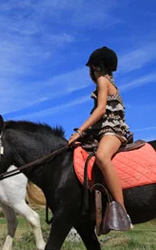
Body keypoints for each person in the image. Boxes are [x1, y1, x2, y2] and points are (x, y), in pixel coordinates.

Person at [68, 46, 132, 229]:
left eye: (91, 68)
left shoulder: (103, 81)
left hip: (113, 131)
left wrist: (80, 131)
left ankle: (121, 212)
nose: (91, 72)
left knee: (102, 157)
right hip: (103, 130)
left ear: (96, 67)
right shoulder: (107, 83)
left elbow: (101, 110)